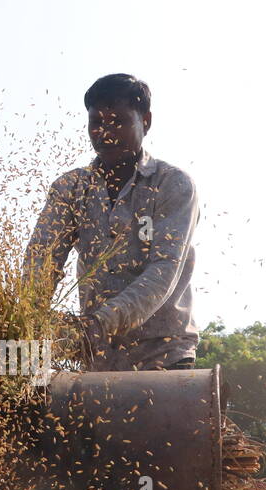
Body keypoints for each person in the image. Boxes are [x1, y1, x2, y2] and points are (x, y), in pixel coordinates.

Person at [25, 74, 200, 371]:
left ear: (145, 120)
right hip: (99, 358)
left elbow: (164, 269)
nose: (105, 133)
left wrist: (98, 324)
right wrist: (27, 317)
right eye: (96, 123)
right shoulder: (71, 189)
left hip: (163, 353)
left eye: (118, 121)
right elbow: (42, 259)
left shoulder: (172, 185)